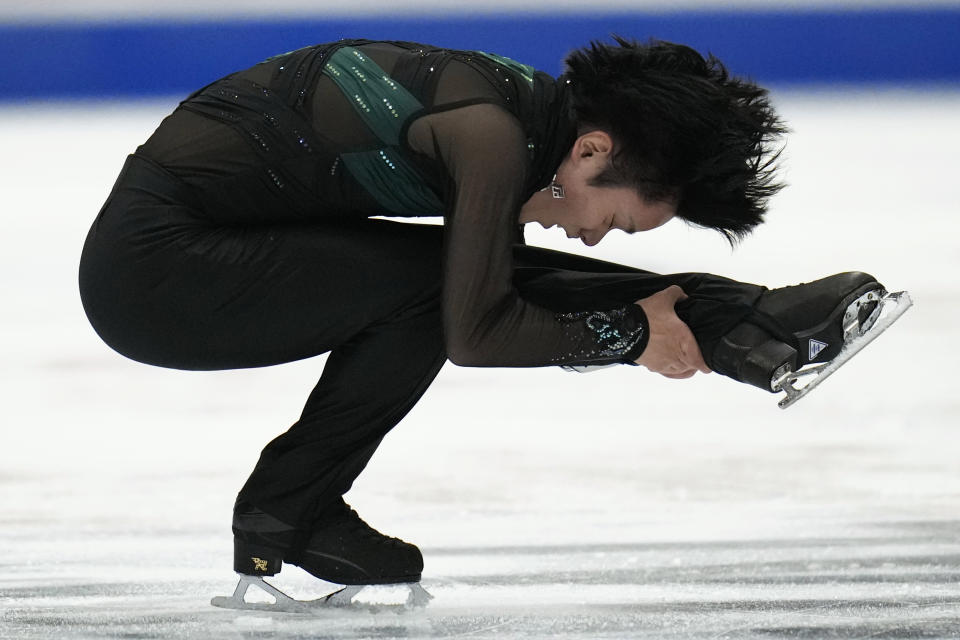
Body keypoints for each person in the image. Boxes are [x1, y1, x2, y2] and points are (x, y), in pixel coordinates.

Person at [77, 37, 891, 595]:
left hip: (222, 239)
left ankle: (748, 322)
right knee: (441, 293)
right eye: (616, 219)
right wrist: (631, 333)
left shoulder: (524, 117)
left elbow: (501, 284)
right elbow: (476, 330)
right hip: (157, 275)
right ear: (595, 150)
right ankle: (290, 509)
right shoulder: (490, 138)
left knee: (447, 281)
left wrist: (659, 316)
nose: (592, 231)